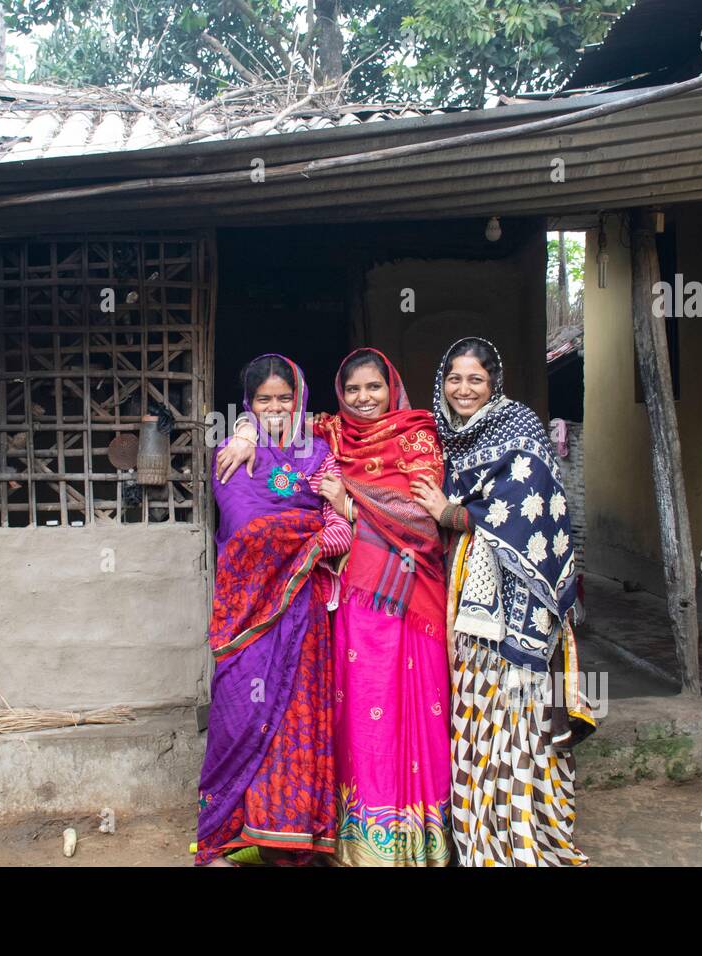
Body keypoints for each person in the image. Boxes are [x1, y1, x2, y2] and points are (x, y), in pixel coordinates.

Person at [221, 347, 452, 866]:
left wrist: (349, 503)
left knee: (407, 708)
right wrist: (243, 431)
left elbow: (421, 520)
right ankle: (354, 841)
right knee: (357, 712)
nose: (363, 399)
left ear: (391, 387)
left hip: (407, 596)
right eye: (352, 390)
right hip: (349, 599)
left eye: (373, 387)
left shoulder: (416, 435)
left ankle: (414, 841)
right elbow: (277, 408)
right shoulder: (330, 432)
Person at [410, 336, 594, 867]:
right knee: (471, 709)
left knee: (513, 713)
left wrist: (453, 513)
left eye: (476, 380)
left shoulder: (521, 429)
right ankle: (476, 833)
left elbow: (531, 514)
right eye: (455, 379)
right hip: (461, 602)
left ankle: (517, 833)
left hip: (516, 613)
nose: (463, 390)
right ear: (442, 382)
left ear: (494, 386)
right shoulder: (444, 438)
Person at [195, 354, 352, 866]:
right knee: (240, 713)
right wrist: (312, 532)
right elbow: (244, 530)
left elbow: (342, 526)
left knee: (299, 717)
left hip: (303, 614)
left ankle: (295, 835)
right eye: (264, 400)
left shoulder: (321, 453)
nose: (276, 408)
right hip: (250, 614)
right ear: (248, 404)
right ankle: (223, 839)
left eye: (285, 397)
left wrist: (333, 519)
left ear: (300, 398)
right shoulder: (232, 452)